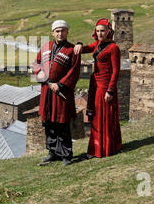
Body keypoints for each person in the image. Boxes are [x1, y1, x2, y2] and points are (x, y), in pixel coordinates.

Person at [34, 20, 81, 166]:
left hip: (62, 93)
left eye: (63, 30)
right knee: (49, 122)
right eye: (57, 31)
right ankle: (52, 152)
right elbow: (37, 63)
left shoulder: (72, 50)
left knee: (62, 123)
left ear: (67, 32)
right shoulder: (46, 47)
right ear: (53, 32)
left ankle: (66, 154)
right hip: (46, 91)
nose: (60, 33)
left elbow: (74, 72)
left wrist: (60, 84)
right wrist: (40, 73)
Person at [73, 18, 122, 158]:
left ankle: (103, 149)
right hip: (95, 84)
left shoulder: (114, 48)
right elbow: (85, 49)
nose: (100, 33)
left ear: (108, 31)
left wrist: (110, 90)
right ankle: (98, 147)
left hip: (105, 86)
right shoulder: (98, 44)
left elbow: (115, 71)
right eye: (98, 31)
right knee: (97, 116)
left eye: (103, 31)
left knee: (103, 117)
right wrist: (79, 44)